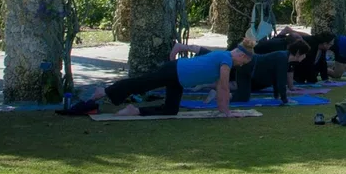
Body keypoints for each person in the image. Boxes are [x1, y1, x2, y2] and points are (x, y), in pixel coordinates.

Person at [92, 38, 255, 116]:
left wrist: (223, 110)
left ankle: (134, 110)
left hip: (179, 79)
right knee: (142, 84)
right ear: (241, 56)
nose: (241, 66)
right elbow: (224, 86)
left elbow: (220, 87)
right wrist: (226, 112)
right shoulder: (226, 59)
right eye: (244, 63)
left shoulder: (223, 56)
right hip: (174, 71)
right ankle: (105, 91)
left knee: (171, 110)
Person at [231, 43, 308, 104]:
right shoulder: (283, 58)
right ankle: (222, 96)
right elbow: (281, 81)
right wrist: (285, 100)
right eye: (304, 54)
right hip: (247, 66)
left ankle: (223, 96)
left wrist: (276, 96)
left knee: (243, 97)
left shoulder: (285, 57)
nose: (305, 56)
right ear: (298, 53)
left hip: (248, 67)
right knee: (242, 96)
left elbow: (276, 78)